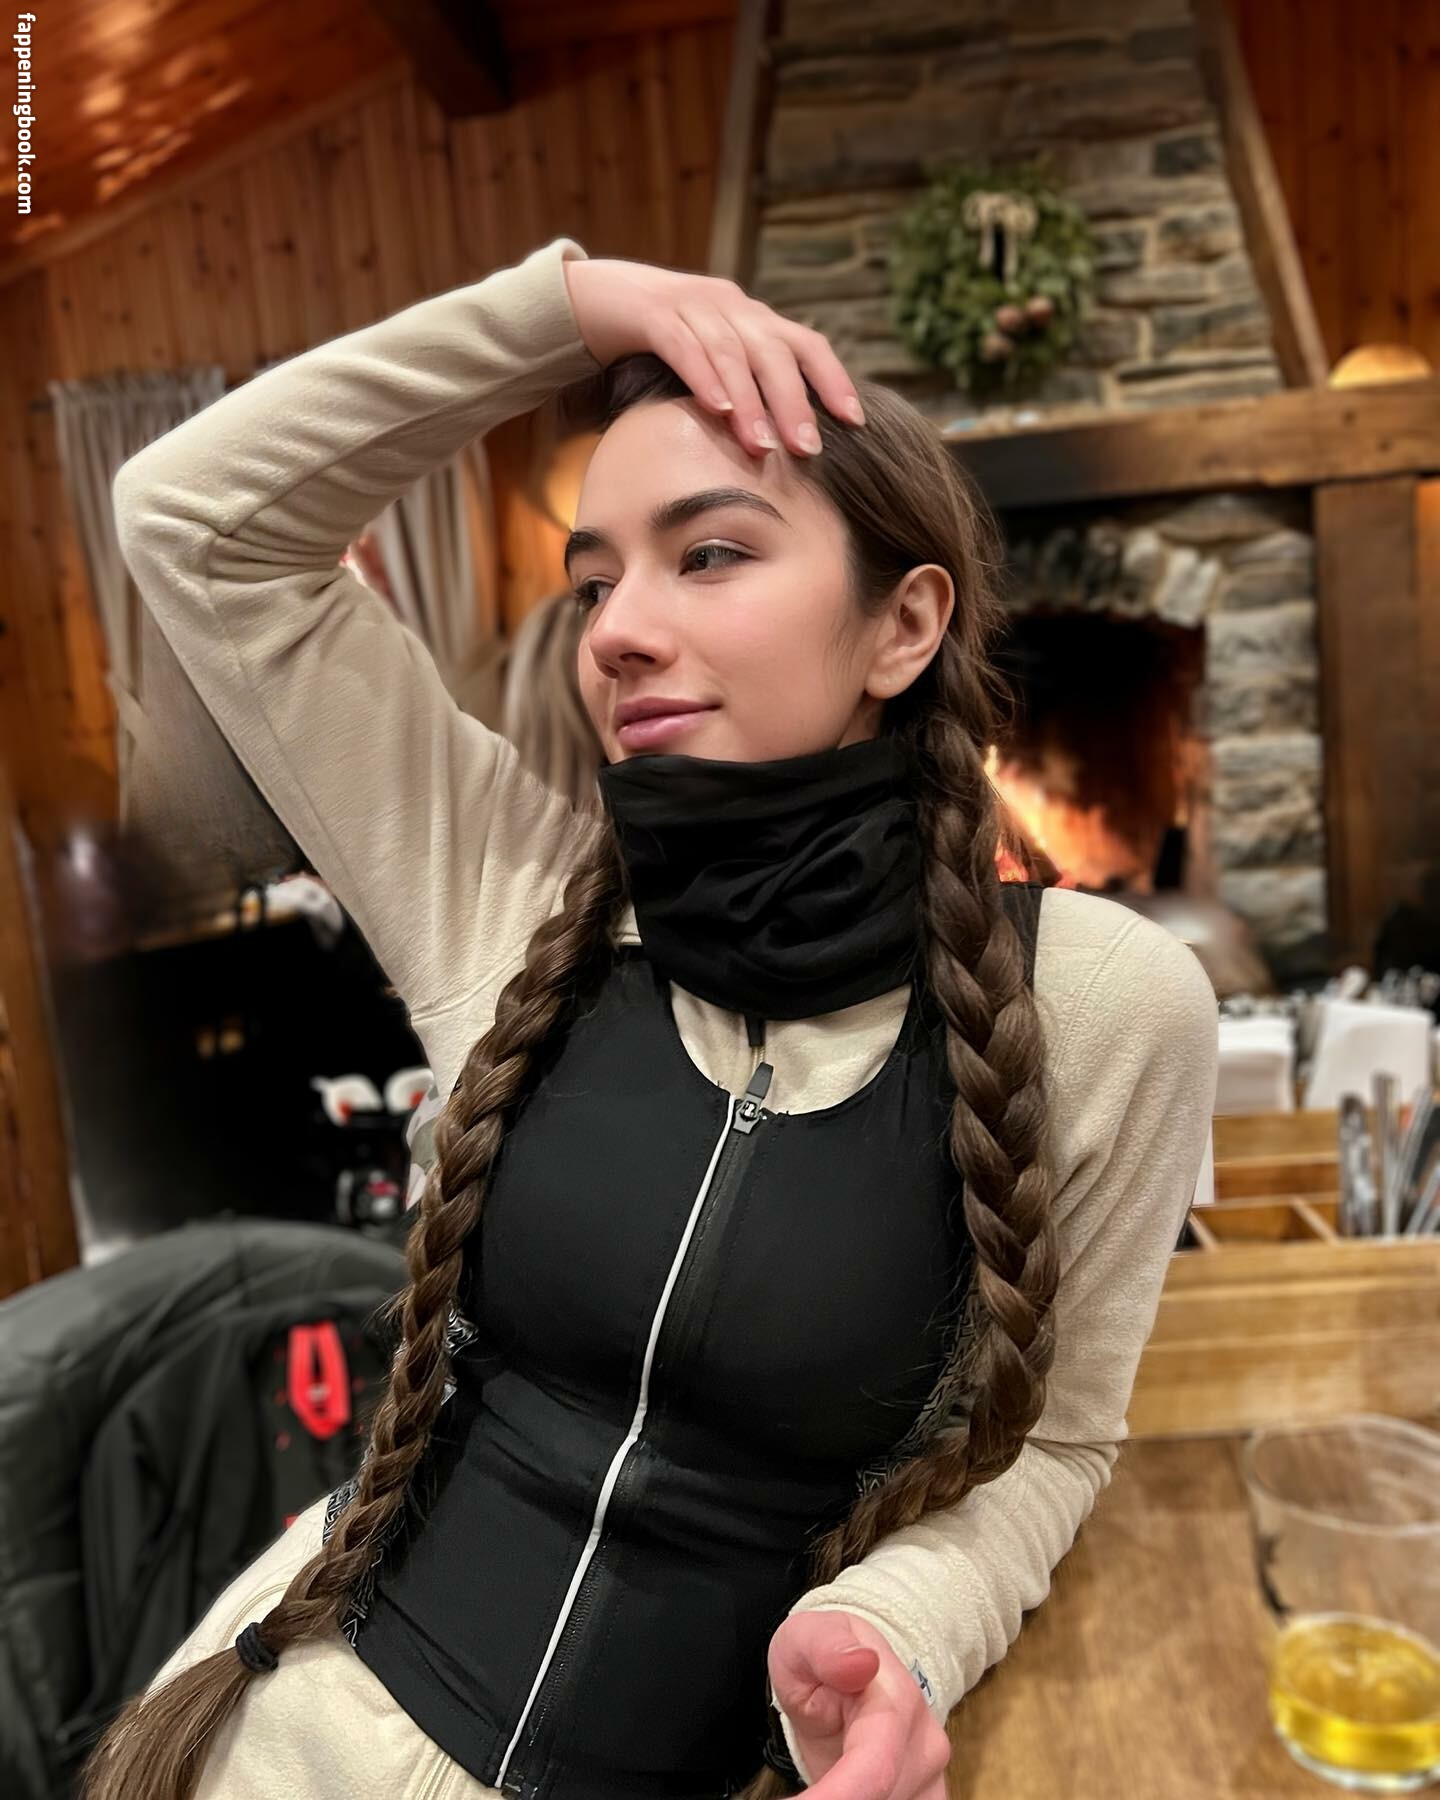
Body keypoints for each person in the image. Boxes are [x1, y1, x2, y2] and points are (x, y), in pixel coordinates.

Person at [85, 240, 1217, 1800]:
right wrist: (565, 308)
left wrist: (897, 1633)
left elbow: (1057, 1449)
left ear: (902, 627)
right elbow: (192, 521)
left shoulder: (1105, 1008)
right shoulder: (507, 894)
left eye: (710, 553)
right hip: (287, 1738)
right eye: (594, 579)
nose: (614, 628)